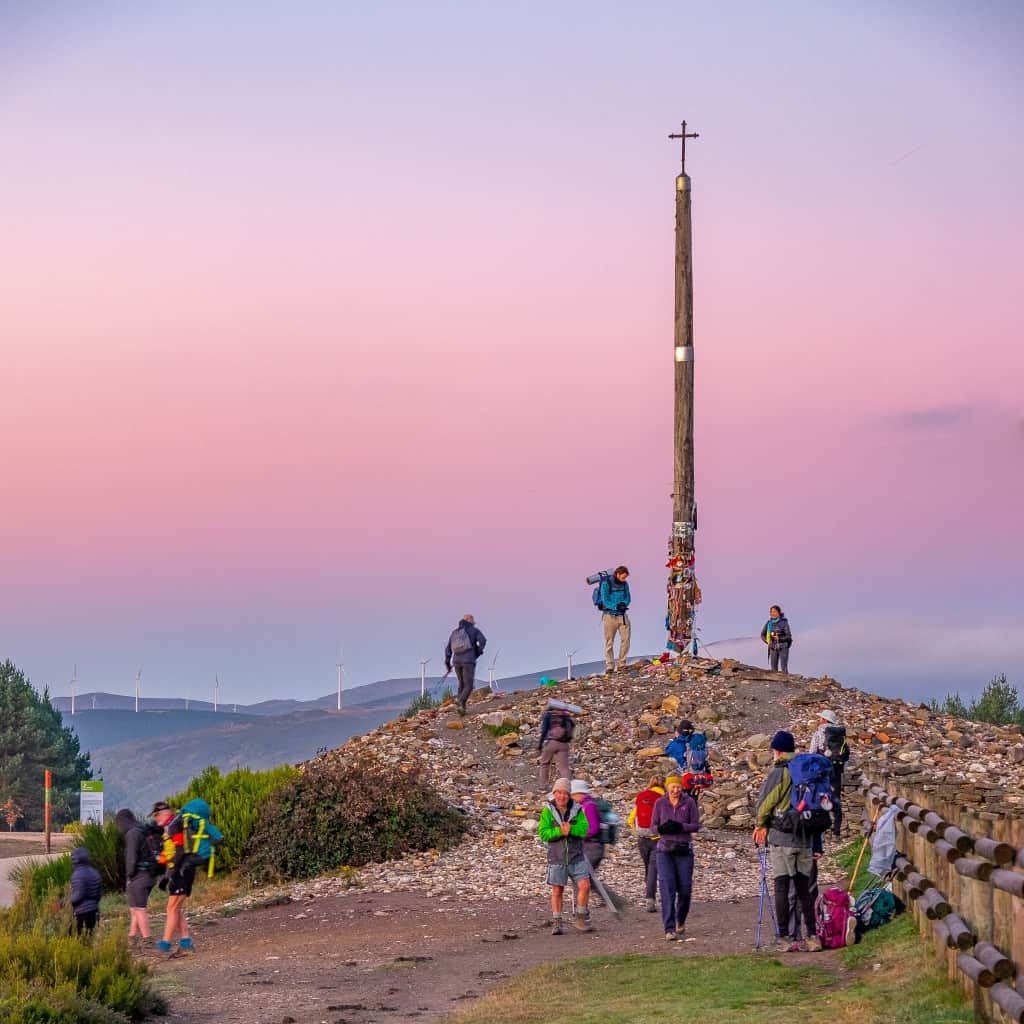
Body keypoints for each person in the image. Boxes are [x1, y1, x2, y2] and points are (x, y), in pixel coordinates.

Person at [753, 730, 821, 952]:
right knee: (804, 890)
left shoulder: (780, 772)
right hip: (806, 839)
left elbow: (765, 804)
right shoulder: (808, 771)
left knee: (781, 887)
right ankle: (812, 936)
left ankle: (784, 937)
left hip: (782, 838)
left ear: (777, 750)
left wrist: (760, 824)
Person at [156, 798, 223, 956]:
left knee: (172, 908)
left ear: (165, 812)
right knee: (175, 908)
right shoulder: (178, 824)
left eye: (157, 814)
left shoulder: (175, 825)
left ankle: (165, 945)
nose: (156, 818)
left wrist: (168, 875)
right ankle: (186, 943)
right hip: (184, 869)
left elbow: (178, 853)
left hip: (182, 871)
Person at [537, 777, 592, 934]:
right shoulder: (547, 810)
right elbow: (543, 833)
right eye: (559, 793)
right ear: (554, 793)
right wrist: (560, 831)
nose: (562, 796)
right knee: (557, 890)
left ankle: (580, 916)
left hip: (576, 856)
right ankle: (557, 922)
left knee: (585, 885)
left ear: (569, 795)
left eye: (565, 793)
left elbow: (585, 829)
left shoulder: (578, 809)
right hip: (556, 857)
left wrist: (572, 830)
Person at [651, 774, 700, 941]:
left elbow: (696, 825)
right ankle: (669, 928)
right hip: (664, 850)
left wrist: (681, 827)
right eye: (672, 786)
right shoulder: (660, 803)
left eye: (678, 786)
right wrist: (662, 829)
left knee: (685, 889)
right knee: (667, 888)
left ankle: (681, 920)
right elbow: (653, 826)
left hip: (684, 850)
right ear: (667, 787)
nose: (676, 789)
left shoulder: (689, 802)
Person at [115, 807, 164, 948]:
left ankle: (147, 939)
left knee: (139, 908)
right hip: (151, 875)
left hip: (139, 876)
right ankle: (132, 937)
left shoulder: (132, 834)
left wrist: (129, 875)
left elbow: (131, 857)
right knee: (134, 907)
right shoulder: (142, 830)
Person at [809, 709, 849, 837]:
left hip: (822, 771)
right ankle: (836, 830)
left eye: (821, 718)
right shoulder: (841, 734)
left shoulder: (819, 733)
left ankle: (821, 828)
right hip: (836, 770)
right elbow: (846, 754)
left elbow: (812, 753)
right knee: (835, 797)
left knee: (820, 796)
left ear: (825, 720)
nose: (819, 720)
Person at [627, 775, 664, 913]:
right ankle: (650, 899)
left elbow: (631, 819)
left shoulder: (642, 796)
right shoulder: (664, 798)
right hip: (657, 838)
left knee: (647, 867)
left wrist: (636, 831)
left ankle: (649, 893)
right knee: (654, 868)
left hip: (642, 837)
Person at [444, 614, 487, 715]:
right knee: (469, 685)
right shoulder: (474, 630)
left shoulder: (454, 632)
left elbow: (448, 649)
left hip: (456, 661)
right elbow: (483, 641)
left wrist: (448, 665)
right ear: (471, 621)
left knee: (461, 684)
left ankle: (461, 709)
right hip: (468, 660)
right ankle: (460, 702)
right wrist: (478, 652)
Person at [598, 566, 631, 673]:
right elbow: (605, 600)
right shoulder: (606, 584)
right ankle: (610, 666)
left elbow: (628, 597)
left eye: (625, 577)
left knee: (626, 639)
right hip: (609, 616)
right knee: (609, 642)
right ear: (617, 574)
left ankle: (621, 664)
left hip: (622, 616)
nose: (624, 579)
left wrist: (624, 604)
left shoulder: (625, 584)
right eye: (623, 577)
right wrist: (615, 606)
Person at [537, 702, 574, 792]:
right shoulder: (566, 716)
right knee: (564, 767)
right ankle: (570, 788)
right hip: (564, 744)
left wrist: (540, 743)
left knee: (544, 764)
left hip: (551, 742)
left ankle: (543, 787)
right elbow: (572, 726)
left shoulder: (549, 715)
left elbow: (544, 730)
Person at [69, 846, 102, 936]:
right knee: (89, 937)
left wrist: (65, 902)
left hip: (80, 913)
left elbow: (78, 896)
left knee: (76, 938)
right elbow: (99, 895)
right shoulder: (95, 872)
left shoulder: (77, 875)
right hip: (94, 911)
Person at [760, 605, 793, 673]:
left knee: (784, 668)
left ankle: (786, 682)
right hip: (772, 648)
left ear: (779, 613)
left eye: (774, 611)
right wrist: (768, 642)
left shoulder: (784, 623)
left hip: (783, 647)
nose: (773, 613)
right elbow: (762, 635)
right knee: (774, 670)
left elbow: (788, 636)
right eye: (771, 612)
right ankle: (776, 683)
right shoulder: (769, 623)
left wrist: (779, 638)